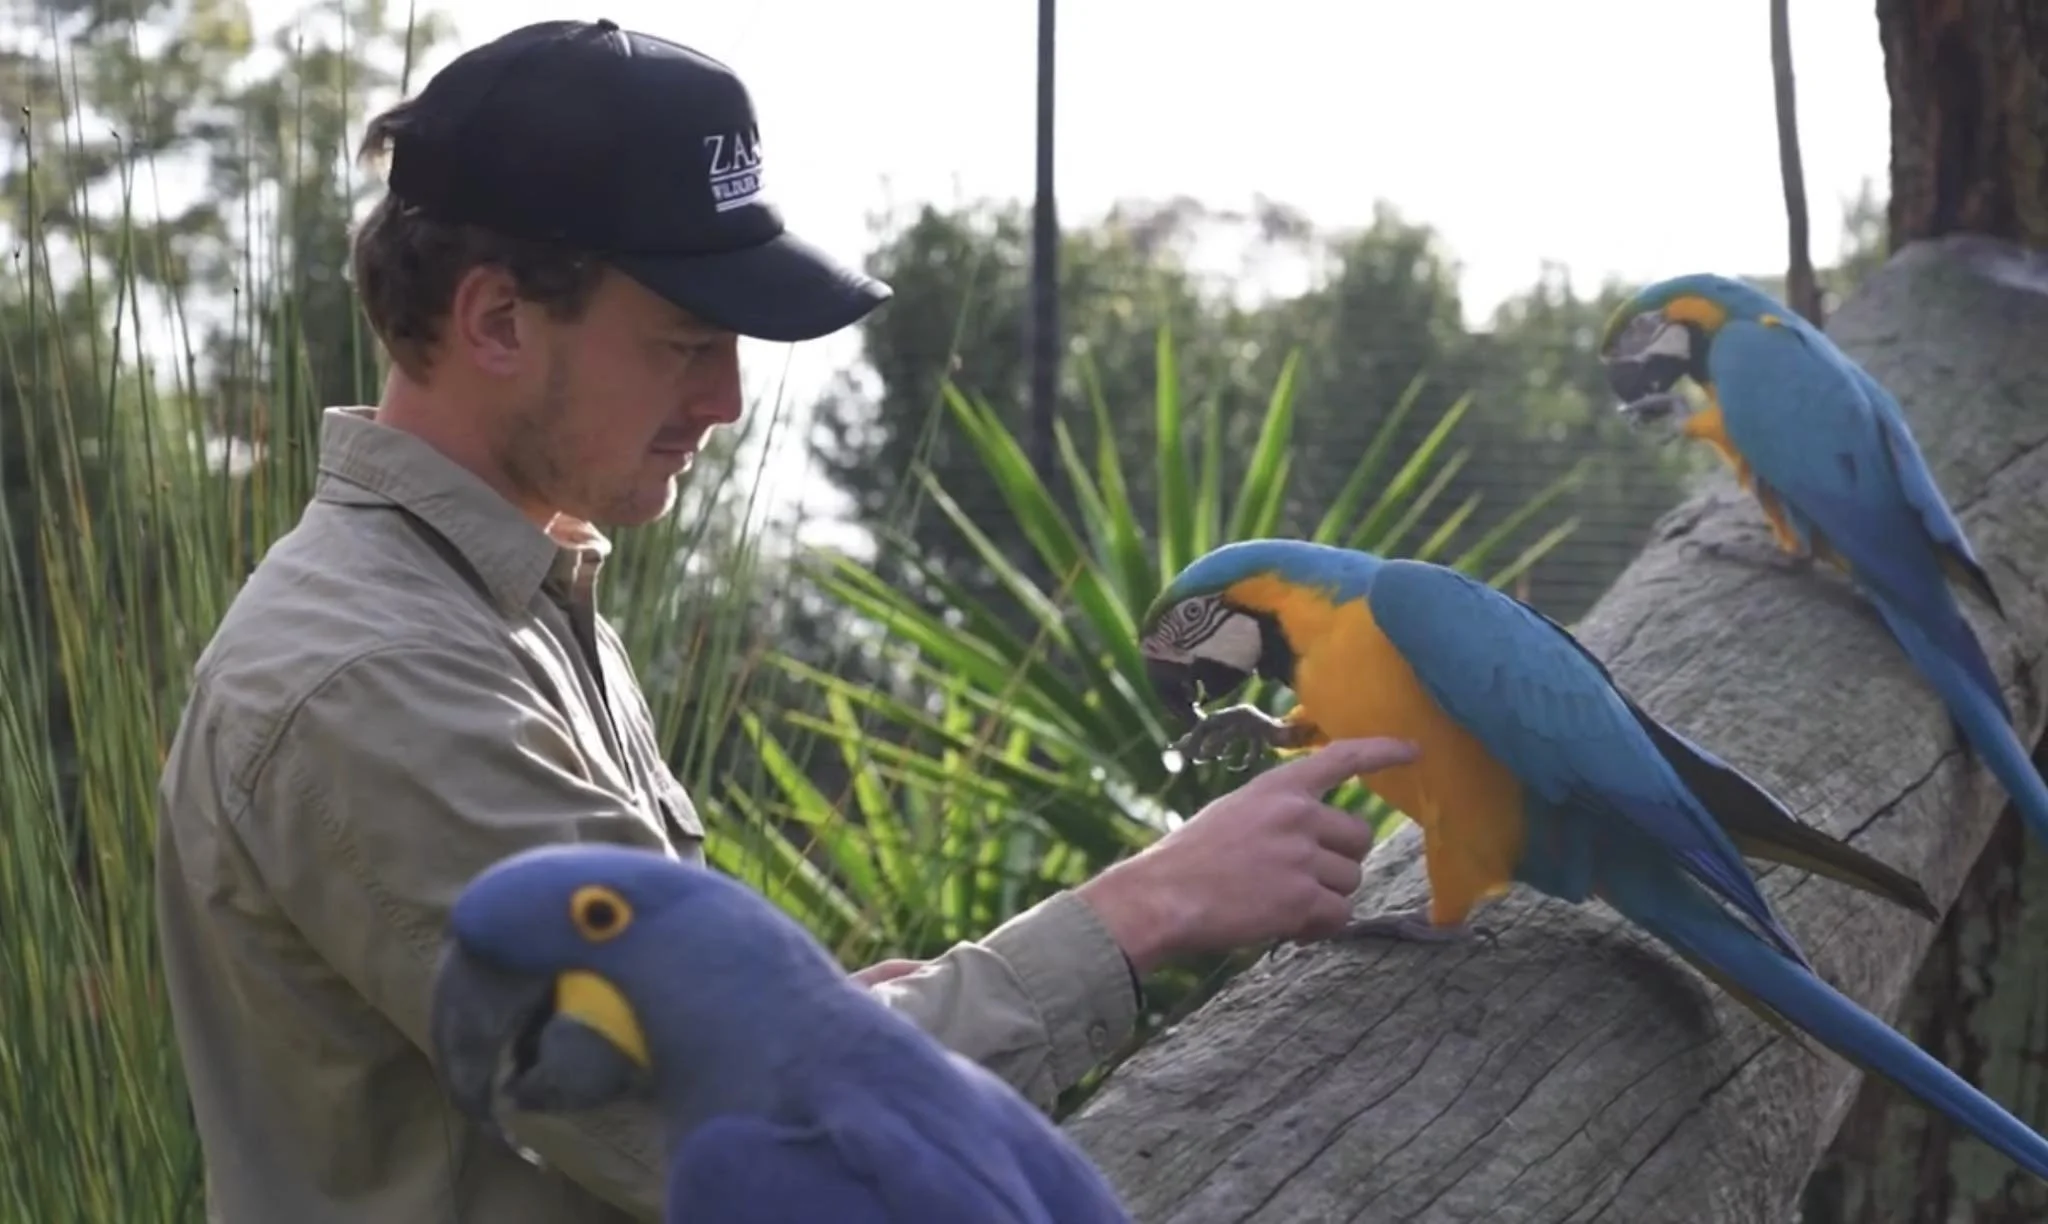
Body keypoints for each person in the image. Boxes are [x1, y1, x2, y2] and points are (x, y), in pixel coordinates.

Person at [152, 17, 1424, 1223]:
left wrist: (849, 1007)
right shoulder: (381, 678)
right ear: (495, 319)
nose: (727, 400)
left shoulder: (515, 596)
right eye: (684, 342)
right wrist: (1144, 909)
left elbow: (701, 1069)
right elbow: (725, 1123)